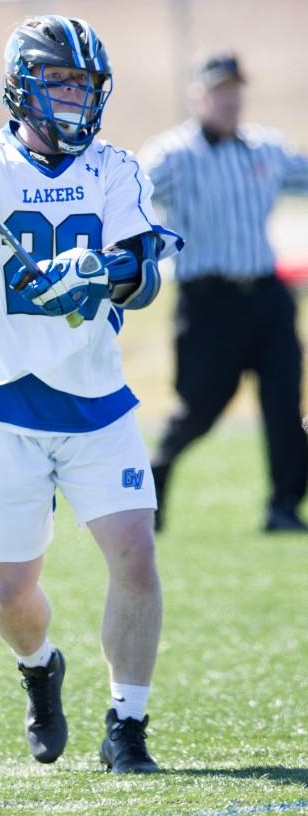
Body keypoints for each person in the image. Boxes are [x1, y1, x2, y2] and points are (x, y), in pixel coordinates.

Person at [0, 15, 182, 773]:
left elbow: (144, 271)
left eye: (85, 83)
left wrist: (97, 275)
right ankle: (38, 667)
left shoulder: (116, 168)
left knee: (135, 560)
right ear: (23, 85)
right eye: (60, 80)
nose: (75, 96)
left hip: (93, 403)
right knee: (12, 593)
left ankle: (127, 726)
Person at [142, 51, 308, 533]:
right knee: (200, 406)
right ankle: (156, 474)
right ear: (198, 96)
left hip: (267, 296)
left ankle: (283, 506)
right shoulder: (173, 155)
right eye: (219, 91)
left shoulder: (265, 150)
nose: (229, 101)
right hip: (208, 302)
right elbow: (126, 193)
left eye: (235, 91)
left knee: (284, 405)